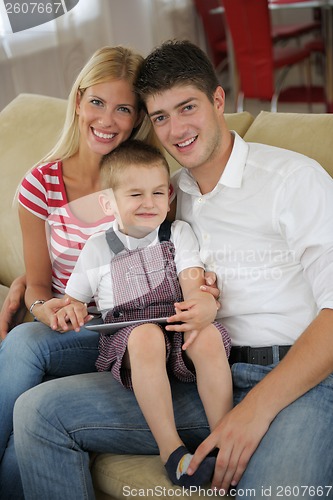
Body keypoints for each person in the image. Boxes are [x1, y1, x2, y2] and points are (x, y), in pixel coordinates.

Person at [13, 38, 333, 499]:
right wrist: (32, 281)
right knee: (39, 413)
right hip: (198, 372)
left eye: (188, 107)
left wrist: (256, 409)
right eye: (160, 117)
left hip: (296, 380)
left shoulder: (292, 181)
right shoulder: (168, 194)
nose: (176, 129)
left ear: (218, 100)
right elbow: (111, 250)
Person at [0, 45, 150, 499]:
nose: (107, 120)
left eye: (123, 109)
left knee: (24, 343)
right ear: (79, 100)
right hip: (72, 331)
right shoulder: (40, 184)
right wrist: (44, 309)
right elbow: (39, 285)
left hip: (127, 331)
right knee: (21, 431)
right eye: (98, 102)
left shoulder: (144, 181)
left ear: (137, 117)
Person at [52, 139, 232, 487]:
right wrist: (70, 310)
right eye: (135, 195)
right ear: (108, 202)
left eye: (157, 193)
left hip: (175, 325)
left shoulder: (178, 233)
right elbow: (74, 299)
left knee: (206, 334)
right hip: (130, 337)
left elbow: (192, 281)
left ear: (169, 195)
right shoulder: (98, 248)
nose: (149, 204)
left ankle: (223, 439)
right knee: (146, 335)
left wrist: (198, 307)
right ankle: (172, 452)